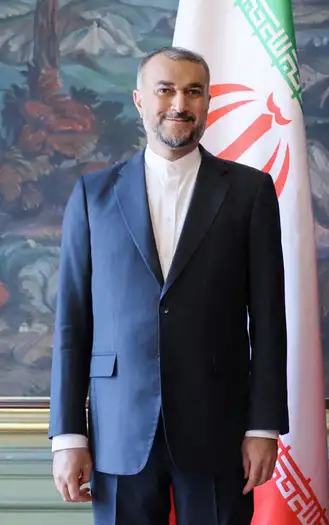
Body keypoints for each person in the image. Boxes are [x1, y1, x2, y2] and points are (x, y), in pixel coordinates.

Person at [48, 46, 289, 525]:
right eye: (166, 90)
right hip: (118, 431)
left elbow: (269, 318)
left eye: (193, 91)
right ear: (140, 100)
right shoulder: (93, 195)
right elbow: (72, 323)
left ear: (208, 102)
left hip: (218, 427)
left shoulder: (250, 191)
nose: (180, 103)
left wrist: (264, 426)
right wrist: (68, 436)